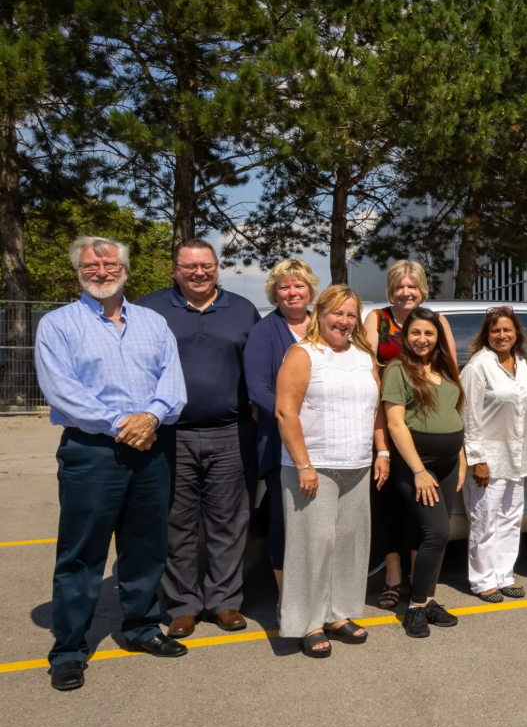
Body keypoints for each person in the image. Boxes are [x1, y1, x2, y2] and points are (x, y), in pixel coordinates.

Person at [34, 236, 189, 691]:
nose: (101, 272)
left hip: (151, 447)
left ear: (125, 269)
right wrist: (124, 423)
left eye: (110, 264)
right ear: (78, 271)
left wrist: (152, 417)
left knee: (145, 545)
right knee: (82, 552)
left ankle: (142, 627)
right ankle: (69, 650)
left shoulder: (153, 323)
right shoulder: (58, 324)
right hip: (92, 451)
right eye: (91, 265)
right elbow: (62, 390)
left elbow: (172, 381)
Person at [140, 238, 261, 637]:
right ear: (175, 270)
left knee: (229, 522)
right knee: (176, 523)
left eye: (206, 265)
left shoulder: (242, 310)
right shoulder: (149, 309)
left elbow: (258, 370)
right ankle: (183, 606)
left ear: (217, 268)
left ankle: (225, 601)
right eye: (189, 266)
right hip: (170, 435)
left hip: (231, 433)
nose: (199, 273)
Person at [275, 285, 389, 657]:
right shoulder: (303, 354)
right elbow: (285, 412)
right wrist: (304, 465)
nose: (344, 321)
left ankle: (337, 614)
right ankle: (307, 622)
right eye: (337, 313)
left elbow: (376, 409)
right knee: (314, 545)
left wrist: (382, 451)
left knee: (349, 545)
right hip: (314, 467)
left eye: (351, 314)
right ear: (320, 314)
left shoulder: (364, 356)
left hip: (357, 465)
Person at [361, 260, 457, 610]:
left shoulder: (436, 322)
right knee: (389, 505)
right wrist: (382, 447)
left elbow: (450, 373)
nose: (405, 292)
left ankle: (420, 580)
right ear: (391, 290)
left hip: (425, 422)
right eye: (399, 286)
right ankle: (392, 577)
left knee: (423, 509)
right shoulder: (377, 320)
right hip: (387, 419)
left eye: (412, 286)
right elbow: (368, 371)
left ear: (422, 290)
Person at [382, 307, 465, 636]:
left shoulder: (445, 367)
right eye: (415, 332)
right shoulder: (398, 370)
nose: (422, 339)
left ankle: (428, 600)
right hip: (418, 465)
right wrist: (418, 471)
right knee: (437, 533)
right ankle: (415, 607)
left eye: (429, 333)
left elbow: (453, 414)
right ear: (406, 335)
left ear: (437, 337)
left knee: (435, 536)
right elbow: (395, 423)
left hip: (448, 465)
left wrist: (461, 458)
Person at [244, 258, 319, 601]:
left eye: (299, 285)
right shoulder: (264, 331)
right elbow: (258, 389)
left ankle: (316, 592)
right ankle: (287, 598)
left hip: (325, 441)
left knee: (319, 523)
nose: (292, 292)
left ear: (310, 291)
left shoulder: (323, 325)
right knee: (285, 520)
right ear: (274, 294)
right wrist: (295, 416)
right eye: (284, 287)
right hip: (282, 441)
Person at [461, 307, 527, 603]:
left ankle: (504, 576)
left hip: (516, 456)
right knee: (484, 520)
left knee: (511, 518)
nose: (502, 335)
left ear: (516, 333)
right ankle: (483, 581)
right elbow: (468, 415)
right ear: (487, 334)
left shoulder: (521, 362)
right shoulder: (478, 366)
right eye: (496, 330)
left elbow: (524, 409)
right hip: (489, 458)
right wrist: (477, 458)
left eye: (507, 330)